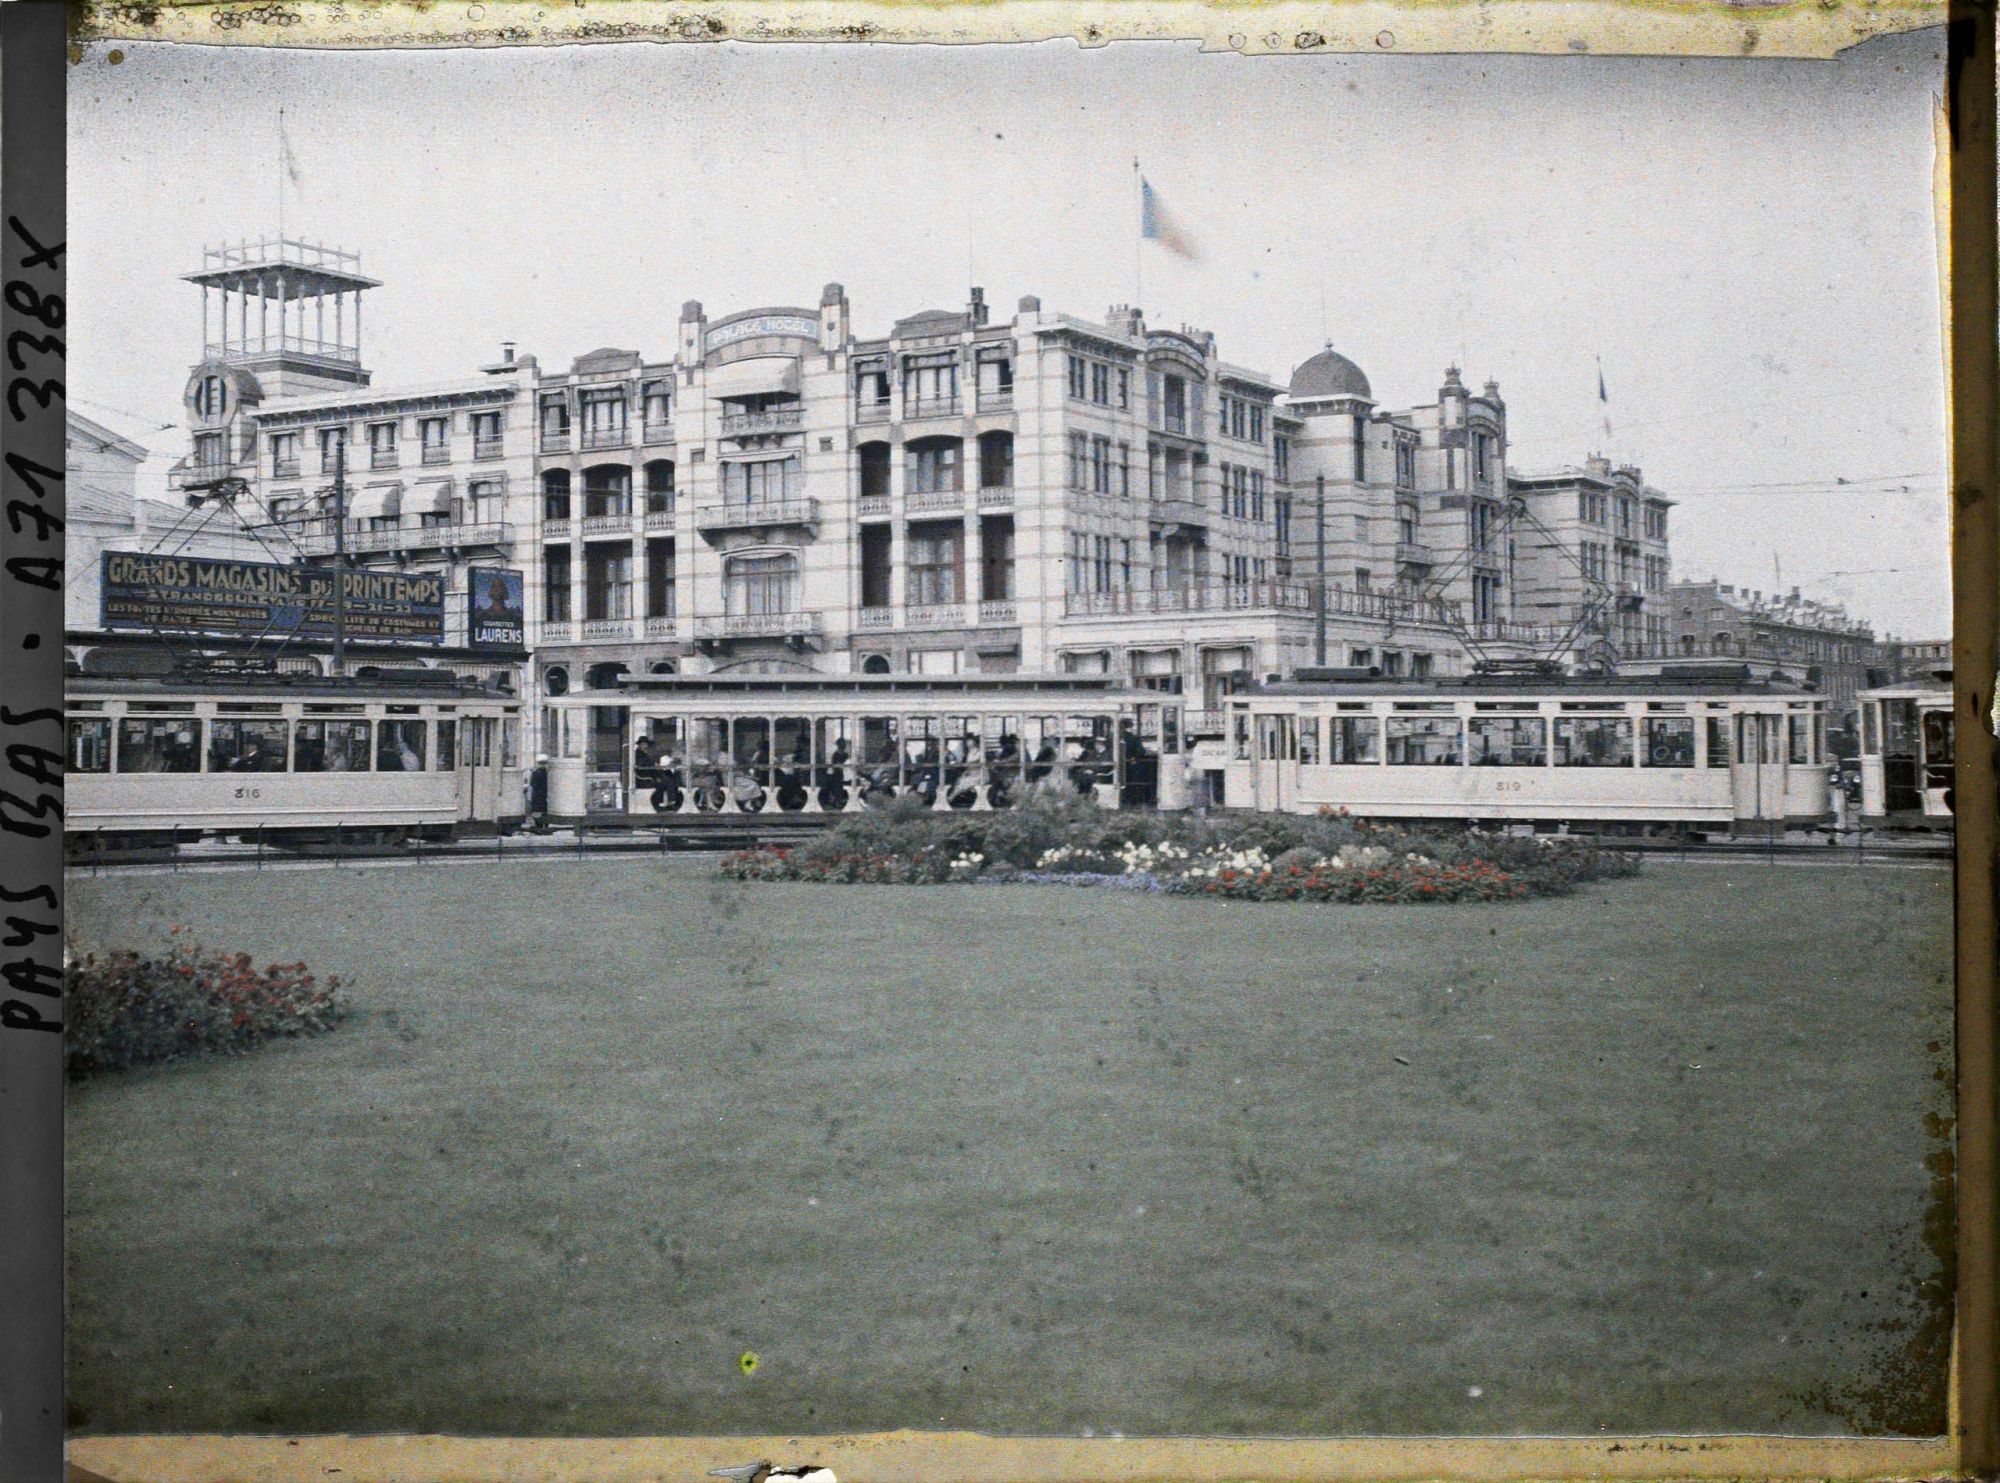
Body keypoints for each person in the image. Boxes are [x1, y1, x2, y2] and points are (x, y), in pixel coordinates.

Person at [527, 754, 551, 832]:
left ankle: (538, 826)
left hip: (537, 794)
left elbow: (532, 784)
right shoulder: (548, 773)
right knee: (545, 810)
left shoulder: (536, 773)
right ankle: (546, 825)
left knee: (536, 810)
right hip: (546, 794)